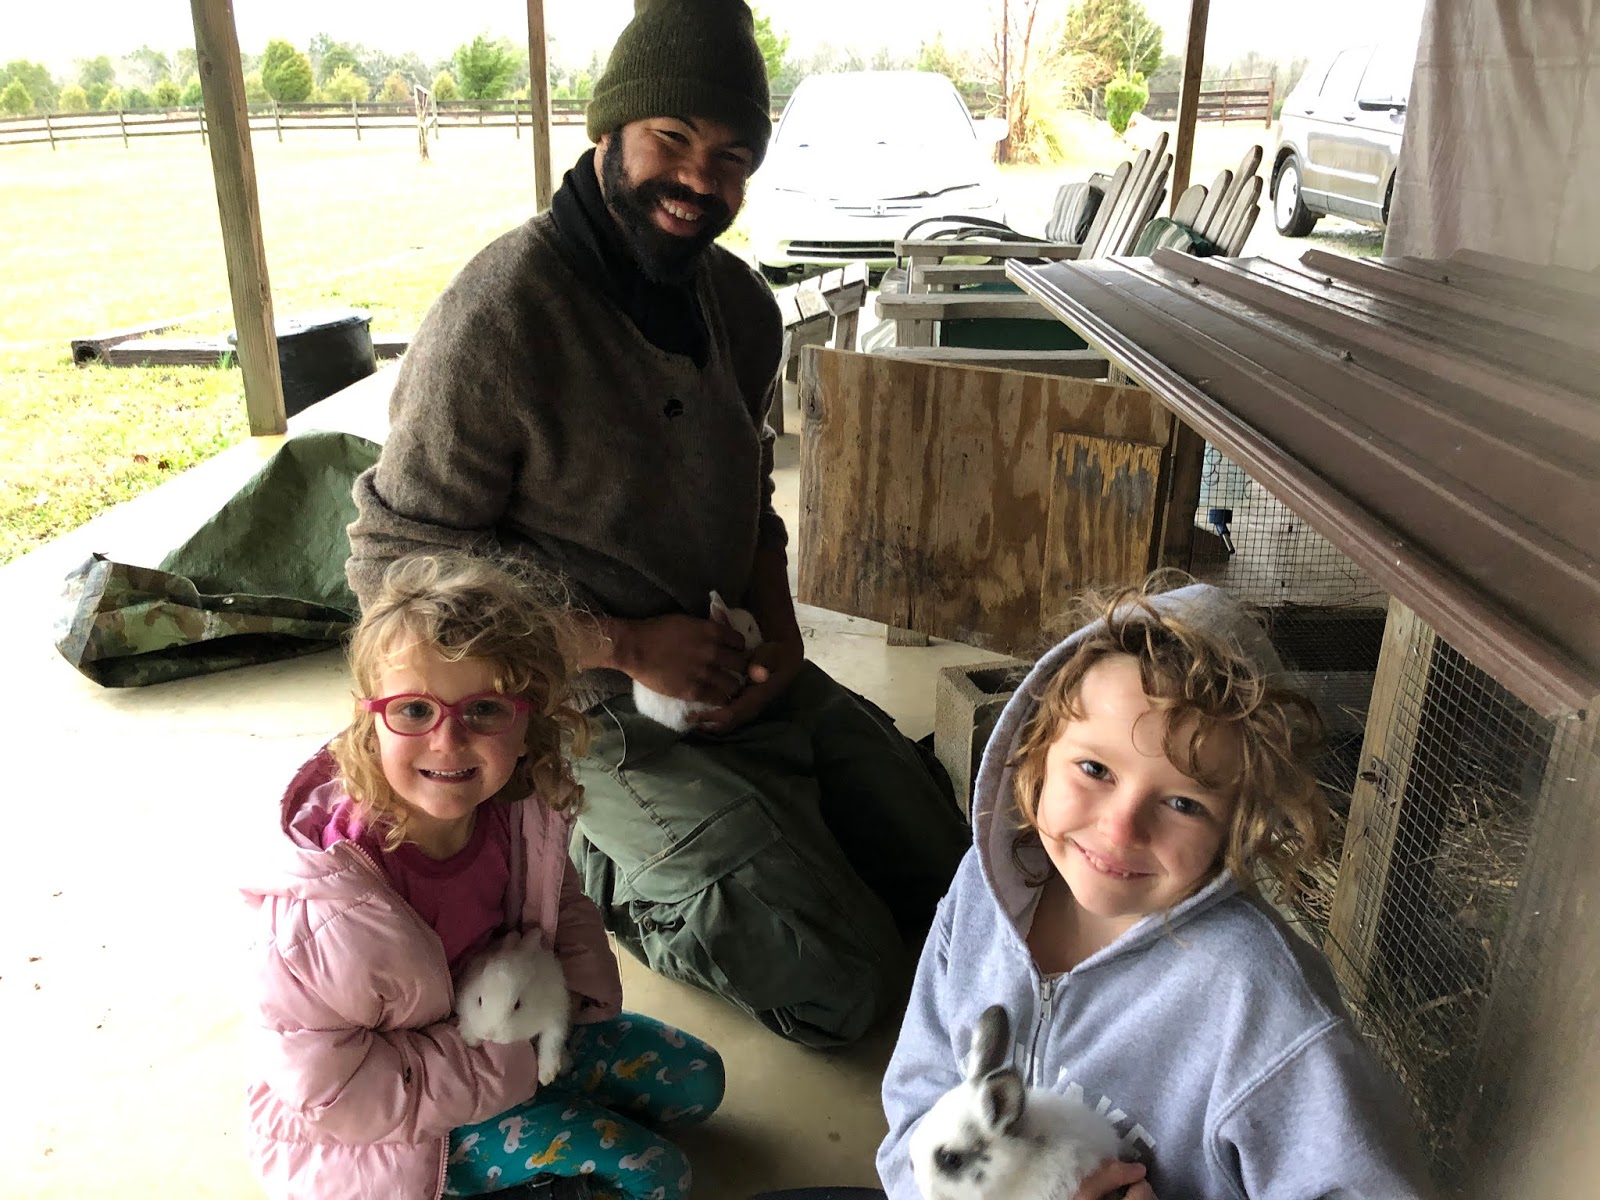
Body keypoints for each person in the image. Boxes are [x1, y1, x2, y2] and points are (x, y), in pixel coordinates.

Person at [344, 0, 968, 1048]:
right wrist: (628, 648)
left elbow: (751, 506)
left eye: (729, 157)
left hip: (731, 666)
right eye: (670, 141)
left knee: (958, 884)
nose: (696, 181)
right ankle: (590, 858)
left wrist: (781, 639)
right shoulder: (501, 313)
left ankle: (756, 812)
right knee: (842, 986)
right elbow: (393, 560)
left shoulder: (741, 304)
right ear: (609, 136)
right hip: (574, 704)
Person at [876, 581, 1434, 1199]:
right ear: (1037, 752)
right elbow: (917, 1105)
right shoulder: (982, 890)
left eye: (1182, 803)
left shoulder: (1261, 1009)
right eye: (1095, 769)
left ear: (1238, 825)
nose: (1120, 828)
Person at [243, 553, 725, 1200]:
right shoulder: (324, 913)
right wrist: (510, 1069)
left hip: (513, 1033)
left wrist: (574, 998)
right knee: (659, 1176)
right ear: (369, 719)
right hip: (401, 1135)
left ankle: (549, 1132)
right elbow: (334, 1095)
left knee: (701, 1080)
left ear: (531, 723)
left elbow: (556, 895)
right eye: (414, 710)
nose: (447, 740)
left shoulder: (516, 808)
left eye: (486, 710)